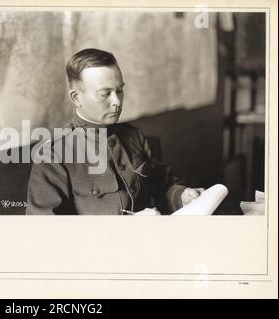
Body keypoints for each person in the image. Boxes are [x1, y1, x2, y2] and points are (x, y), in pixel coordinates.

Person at [26, 48, 204, 215]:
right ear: (76, 98)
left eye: (119, 90)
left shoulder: (133, 136)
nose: (117, 101)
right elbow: (45, 233)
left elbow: (161, 184)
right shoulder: (53, 155)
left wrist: (181, 195)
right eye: (105, 94)